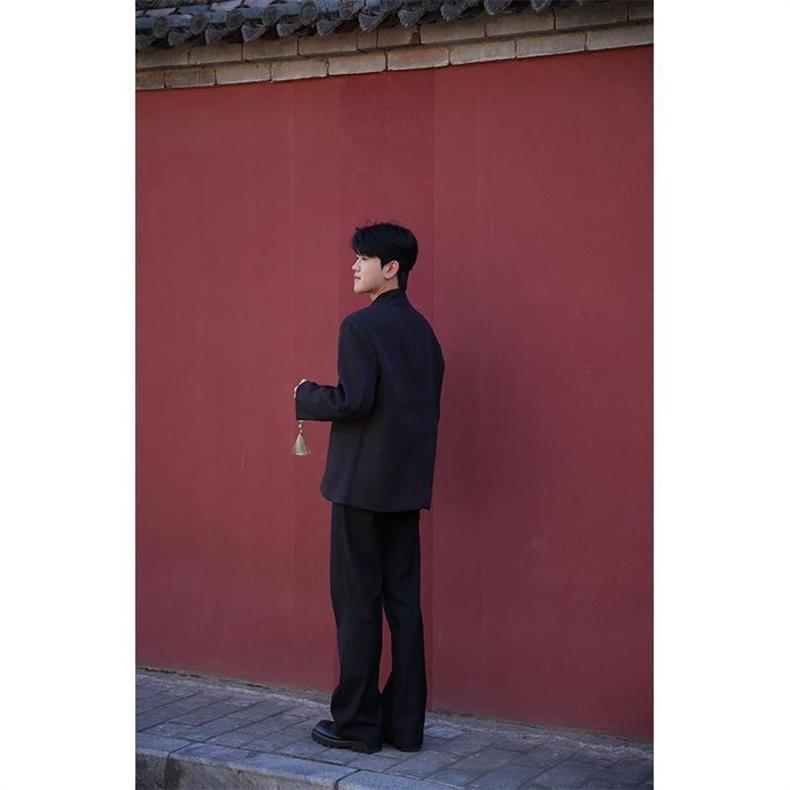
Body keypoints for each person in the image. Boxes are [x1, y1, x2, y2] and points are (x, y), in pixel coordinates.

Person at [293, 221, 445, 754]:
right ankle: (404, 725)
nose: (355, 266)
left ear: (391, 268)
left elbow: (354, 401)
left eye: (363, 258)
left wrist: (305, 394)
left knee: (357, 602)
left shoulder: (360, 327)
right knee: (403, 603)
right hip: (405, 490)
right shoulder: (425, 333)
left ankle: (357, 723)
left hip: (360, 490)